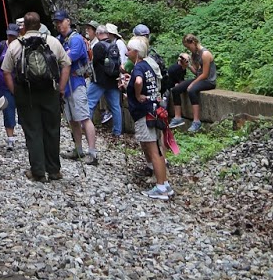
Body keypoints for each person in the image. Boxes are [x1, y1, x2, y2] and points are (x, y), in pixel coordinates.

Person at [1, 11, 71, 182]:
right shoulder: (53, 42)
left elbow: (6, 71)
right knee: (52, 130)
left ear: (23, 27)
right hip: (50, 91)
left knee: (33, 131)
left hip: (27, 93)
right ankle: (54, 170)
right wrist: (61, 88)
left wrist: (15, 92)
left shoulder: (16, 45)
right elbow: (66, 64)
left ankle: (38, 171)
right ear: (40, 25)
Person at [125, 36, 172, 199]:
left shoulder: (138, 68)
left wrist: (137, 95)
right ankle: (165, 183)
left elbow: (138, 81)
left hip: (145, 112)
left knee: (154, 151)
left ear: (136, 52)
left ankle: (160, 188)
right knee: (158, 149)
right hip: (154, 109)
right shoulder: (149, 65)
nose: (127, 52)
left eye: (129, 49)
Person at [53, 10, 98, 165]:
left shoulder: (76, 39)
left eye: (61, 22)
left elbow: (66, 59)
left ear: (68, 21)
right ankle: (78, 149)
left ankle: (92, 153)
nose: (59, 25)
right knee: (72, 119)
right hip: (66, 85)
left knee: (84, 117)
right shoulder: (61, 39)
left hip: (77, 84)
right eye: (57, 23)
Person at [169, 34, 216, 133]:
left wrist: (193, 83)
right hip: (200, 78)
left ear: (193, 43)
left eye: (188, 47)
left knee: (192, 90)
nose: (188, 49)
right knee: (176, 90)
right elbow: (197, 72)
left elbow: (205, 74)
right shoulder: (195, 54)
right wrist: (188, 65)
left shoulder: (205, 54)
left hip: (208, 81)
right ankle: (178, 117)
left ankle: (196, 121)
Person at [87, 23, 124, 138]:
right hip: (112, 80)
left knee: (89, 103)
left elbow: (94, 63)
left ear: (98, 34)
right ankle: (117, 132)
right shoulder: (114, 45)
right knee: (115, 107)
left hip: (100, 82)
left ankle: (85, 127)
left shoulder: (98, 46)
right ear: (107, 34)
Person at [0, 22, 20, 152]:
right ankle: (10, 138)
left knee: (23, 109)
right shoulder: (1, 46)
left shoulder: (21, 46)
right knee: (8, 109)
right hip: (3, 84)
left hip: (19, 83)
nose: (11, 38)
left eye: (13, 36)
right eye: (9, 36)